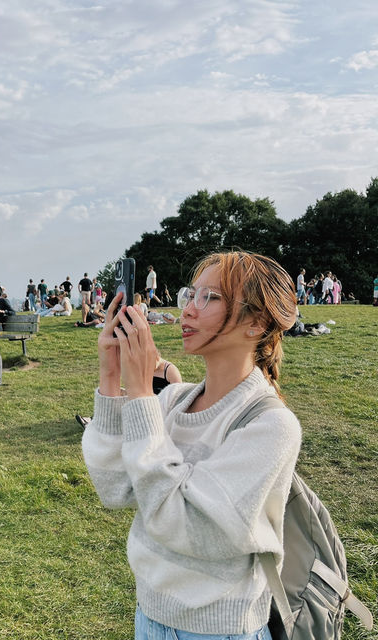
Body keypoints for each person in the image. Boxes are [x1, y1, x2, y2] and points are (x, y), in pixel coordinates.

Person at [82, 251, 301, 640]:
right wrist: (111, 371)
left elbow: (187, 524)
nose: (188, 310)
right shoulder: (172, 401)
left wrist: (139, 390)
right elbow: (115, 487)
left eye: (210, 298)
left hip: (219, 630)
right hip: (149, 616)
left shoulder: (271, 426)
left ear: (256, 322)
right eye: (191, 294)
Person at [76, 351, 182, 428]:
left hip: (160, 406)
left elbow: (179, 396)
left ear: (157, 357)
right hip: (145, 401)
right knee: (116, 394)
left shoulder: (170, 370)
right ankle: (94, 420)